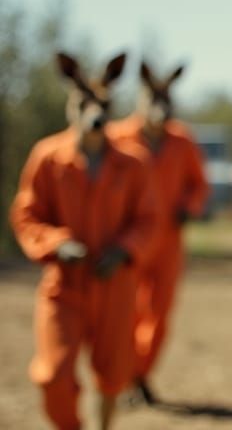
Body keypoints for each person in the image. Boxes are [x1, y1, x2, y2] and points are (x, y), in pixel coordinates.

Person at [10, 52, 157, 430]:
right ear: (71, 107)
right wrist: (57, 244)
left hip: (114, 285)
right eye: (84, 104)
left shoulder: (133, 164)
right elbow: (26, 216)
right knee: (54, 375)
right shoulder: (47, 158)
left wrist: (125, 250)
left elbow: (148, 220)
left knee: (111, 375)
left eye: (103, 105)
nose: (94, 113)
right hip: (65, 286)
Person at [109, 61, 209, 404]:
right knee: (126, 312)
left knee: (159, 314)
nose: (159, 107)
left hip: (167, 240)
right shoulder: (118, 138)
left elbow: (199, 186)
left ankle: (140, 372)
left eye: (165, 99)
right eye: (153, 98)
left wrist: (189, 207)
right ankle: (122, 376)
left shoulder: (183, 142)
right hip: (128, 241)